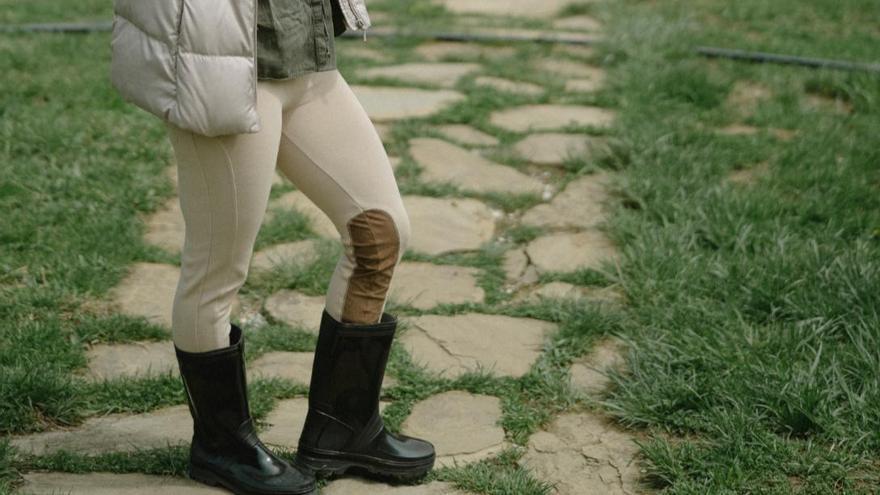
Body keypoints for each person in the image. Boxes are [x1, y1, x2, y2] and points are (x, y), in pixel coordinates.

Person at [155, 0, 436, 494]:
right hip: (227, 66)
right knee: (216, 267)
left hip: (307, 53)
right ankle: (222, 448)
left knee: (380, 231)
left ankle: (343, 429)